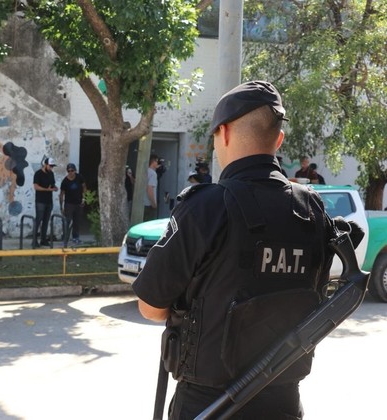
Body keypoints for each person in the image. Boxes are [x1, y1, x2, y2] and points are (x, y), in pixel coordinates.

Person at [133, 81, 338, 419]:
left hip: (208, 406)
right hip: (285, 404)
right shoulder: (311, 211)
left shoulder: (205, 207)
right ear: (279, 140)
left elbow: (151, 307)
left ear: (224, 133)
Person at [32, 157, 58, 248]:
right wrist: (47, 190)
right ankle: (34, 240)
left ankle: (43, 240)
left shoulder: (51, 174)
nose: (51, 168)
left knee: (46, 221)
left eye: (52, 166)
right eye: (50, 166)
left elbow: (52, 184)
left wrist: (55, 188)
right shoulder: (38, 174)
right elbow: (36, 187)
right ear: (45, 165)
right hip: (40, 201)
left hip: (49, 201)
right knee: (38, 220)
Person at [59, 163, 87, 247]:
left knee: (77, 221)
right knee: (67, 221)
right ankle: (65, 238)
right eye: (69, 171)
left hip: (78, 203)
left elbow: (84, 187)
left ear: (75, 170)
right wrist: (61, 207)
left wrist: (84, 198)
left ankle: (76, 237)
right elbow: (61, 194)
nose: (70, 172)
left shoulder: (79, 177)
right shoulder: (65, 181)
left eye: (72, 170)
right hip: (69, 204)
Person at [143, 154, 159, 222]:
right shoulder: (153, 174)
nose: (157, 163)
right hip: (149, 205)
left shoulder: (144, 172)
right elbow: (150, 189)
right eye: (157, 161)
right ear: (153, 162)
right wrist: (154, 204)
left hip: (142, 204)